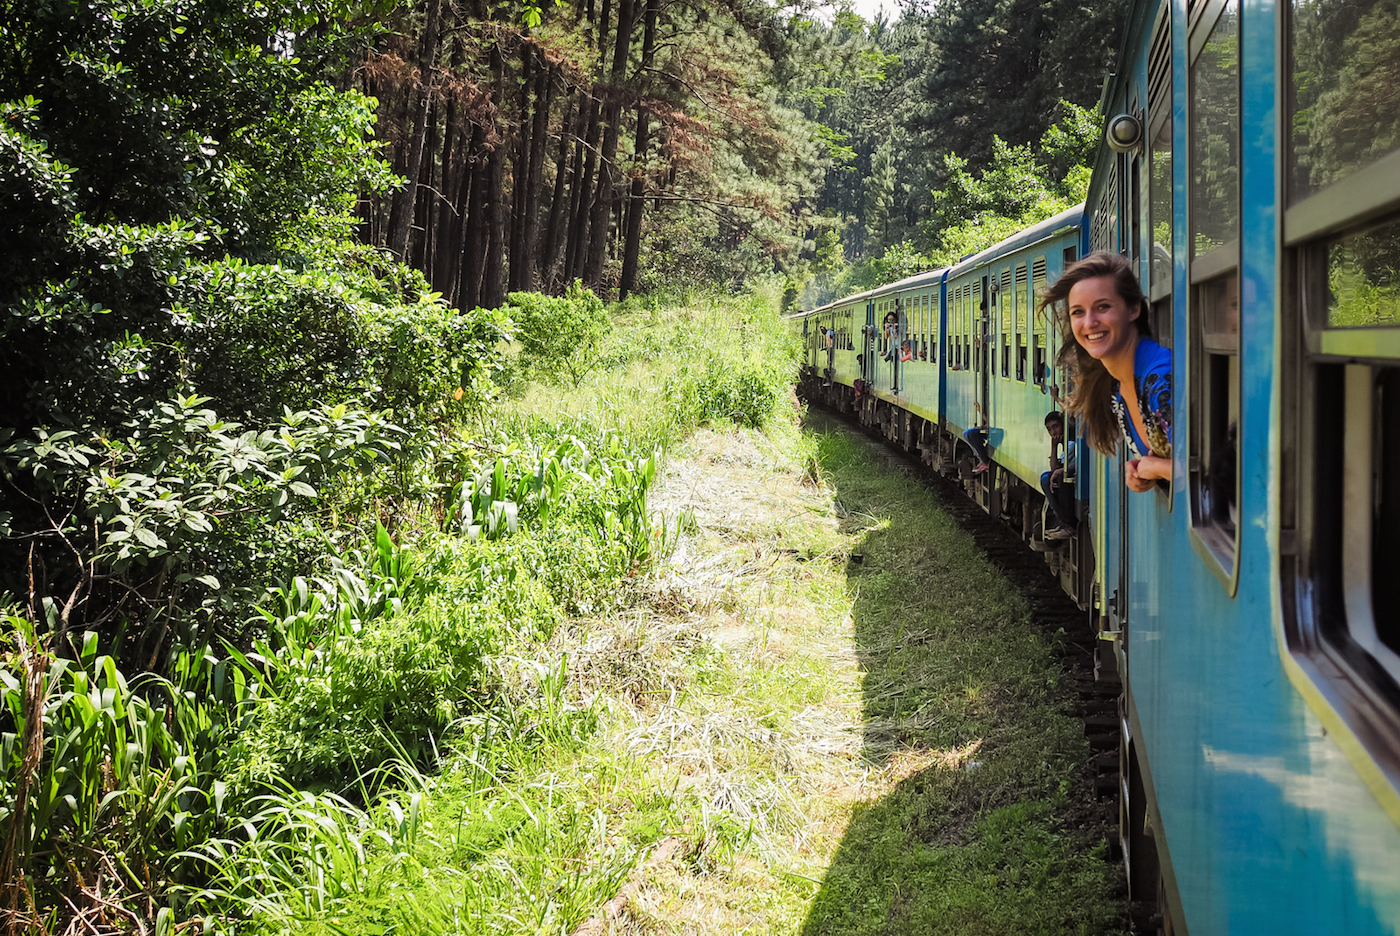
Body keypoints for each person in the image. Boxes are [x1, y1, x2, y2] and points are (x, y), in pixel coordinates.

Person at [1038, 252, 1171, 493]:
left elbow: (1210, 473)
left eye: (1103, 307)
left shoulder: (1159, 379)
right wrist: (1149, 471)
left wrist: (1156, 468)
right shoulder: (1117, 385)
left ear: (1133, 309)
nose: (1089, 322)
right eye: (1078, 312)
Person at [1041, 411, 1076, 540]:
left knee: (1048, 479)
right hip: (1069, 477)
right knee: (1047, 477)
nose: (1053, 432)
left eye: (1055, 427)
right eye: (1049, 429)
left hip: (1073, 480)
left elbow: (1056, 469)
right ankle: (1064, 522)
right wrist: (1054, 446)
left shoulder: (1072, 442)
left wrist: (1058, 471)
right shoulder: (1065, 442)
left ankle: (1067, 524)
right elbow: (1053, 467)